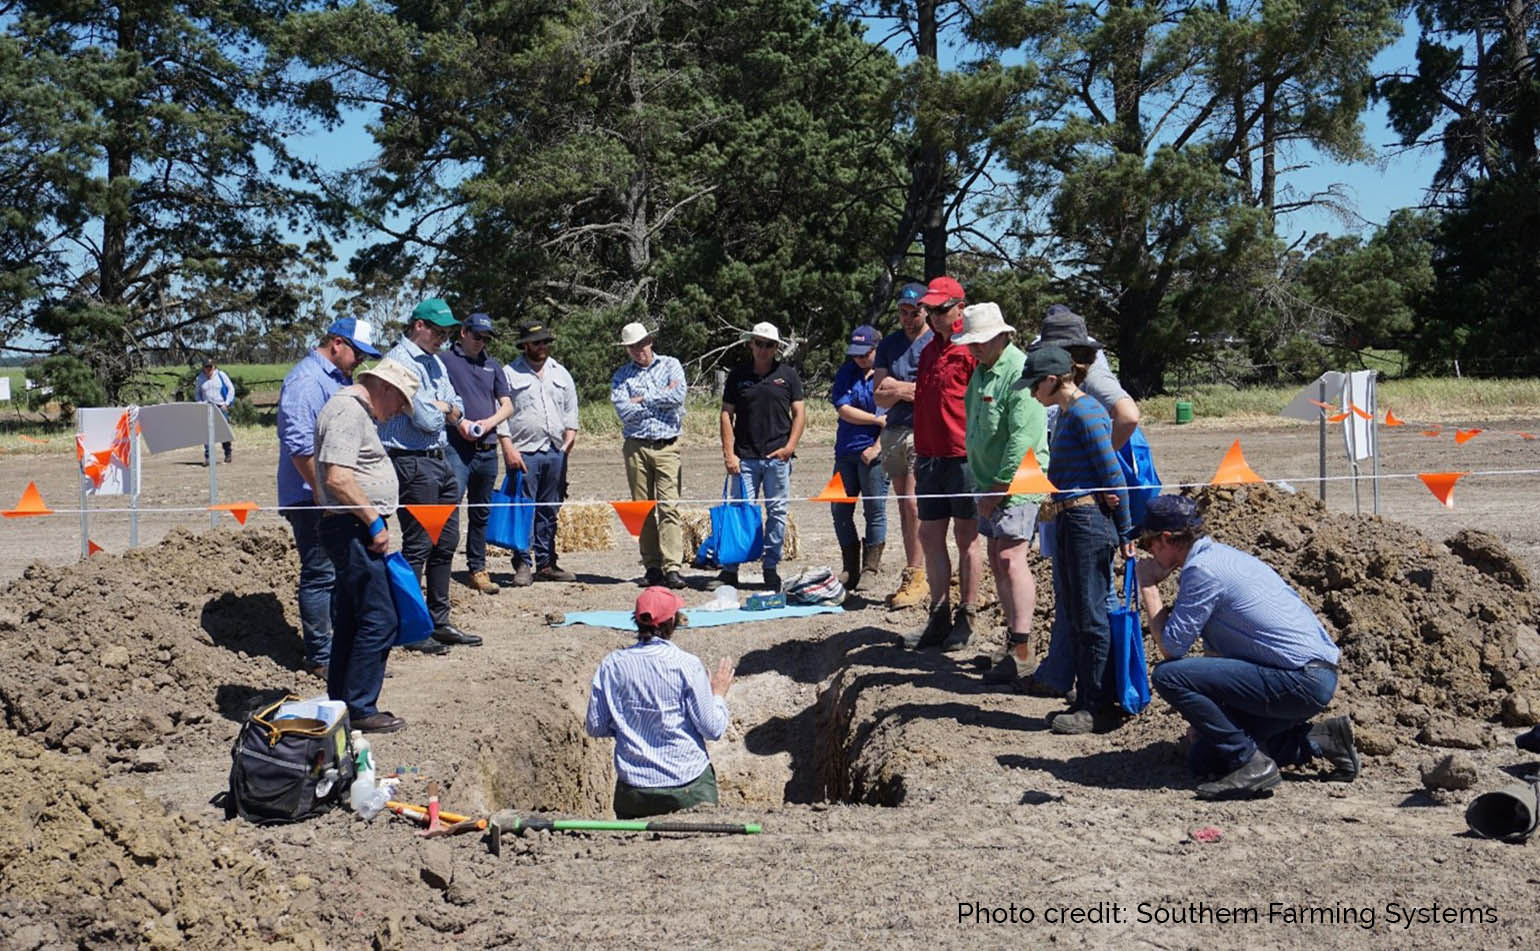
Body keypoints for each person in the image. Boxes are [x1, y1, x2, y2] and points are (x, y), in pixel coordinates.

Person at [1134, 494, 1360, 799]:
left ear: (1166, 539)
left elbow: (1172, 649)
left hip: (1299, 679)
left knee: (1168, 675)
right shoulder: (1221, 556)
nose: (1148, 554)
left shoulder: (1202, 571)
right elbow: (1218, 659)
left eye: (1148, 545)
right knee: (1205, 757)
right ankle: (1324, 739)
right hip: (1312, 677)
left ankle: (1250, 763)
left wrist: (1148, 586)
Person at [1018, 304, 1146, 694]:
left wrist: (1124, 530)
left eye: (1035, 384)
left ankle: (1101, 696)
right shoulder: (1073, 410)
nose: (1032, 393)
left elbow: (1112, 473)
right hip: (1075, 518)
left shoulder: (1088, 411)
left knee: (1094, 610)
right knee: (1079, 605)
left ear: (1056, 376)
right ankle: (1085, 688)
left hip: (1088, 521)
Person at [314, 357, 419, 733]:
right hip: (353, 527)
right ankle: (360, 706)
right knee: (380, 617)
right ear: (385, 388)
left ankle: (344, 702)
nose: (394, 415)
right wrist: (374, 521)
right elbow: (338, 478)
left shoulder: (350, 410)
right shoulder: (348, 412)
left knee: (354, 618)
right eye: (398, 404)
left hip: (349, 526)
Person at [275, 317, 381, 679]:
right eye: (357, 353)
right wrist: (323, 495)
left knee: (339, 572)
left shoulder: (338, 380)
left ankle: (340, 651)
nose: (360, 362)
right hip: (313, 497)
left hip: (333, 494)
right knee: (321, 573)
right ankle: (321, 655)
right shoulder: (307, 381)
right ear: (337, 343)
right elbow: (300, 446)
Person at [379, 297, 483, 653]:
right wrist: (445, 409)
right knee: (419, 544)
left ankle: (439, 621)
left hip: (439, 459)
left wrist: (443, 407)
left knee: (446, 541)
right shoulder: (398, 362)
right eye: (438, 330)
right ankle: (412, 625)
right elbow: (425, 418)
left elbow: (457, 406)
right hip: (411, 462)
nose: (443, 337)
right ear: (419, 326)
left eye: (447, 331)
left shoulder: (436, 362)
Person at [951, 303, 1049, 676]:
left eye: (979, 341)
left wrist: (997, 487)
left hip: (1015, 482)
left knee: (1010, 557)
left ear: (1000, 336)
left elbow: (1022, 440)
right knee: (996, 557)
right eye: (970, 342)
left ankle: (1023, 649)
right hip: (989, 481)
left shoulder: (1019, 372)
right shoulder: (982, 371)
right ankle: (1013, 642)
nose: (972, 348)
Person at [584, 587, 735, 819]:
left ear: (636, 620)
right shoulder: (686, 664)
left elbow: (595, 726)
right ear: (672, 621)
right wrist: (717, 694)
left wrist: (629, 726)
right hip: (687, 786)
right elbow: (712, 729)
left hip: (634, 791)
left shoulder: (611, 665)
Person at [905, 277, 981, 651]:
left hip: (964, 457)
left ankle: (967, 615)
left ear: (959, 308)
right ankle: (939, 614)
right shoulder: (927, 352)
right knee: (931, 536)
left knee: (967, 538)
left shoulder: (972, 351)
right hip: (930, 457)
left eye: (941, 309)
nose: (934, 317)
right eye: (930, 310)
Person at [714, 321, 806, 592]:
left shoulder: (788, 375)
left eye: (768, 345)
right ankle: (731, 568)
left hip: (778, 457)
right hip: (745, 457)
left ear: (776, 348)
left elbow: (800, 414)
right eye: (758, 343)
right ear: (750, 344)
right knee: (741, 510)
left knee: (777, 513)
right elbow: (725, 414)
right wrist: (729, 454)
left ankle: (770, 567)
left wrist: (789, 448)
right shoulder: (737, 375)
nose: (763, 349)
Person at [499, 319, 580, 585]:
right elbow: (500, 413)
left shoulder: (561, 373)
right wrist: (507, 445)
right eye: (537, 342)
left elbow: (571, 412)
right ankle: (523, 563)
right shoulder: (509, 373)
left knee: (550, 509)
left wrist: (569, 440)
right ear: (524, 345)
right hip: (524, 452)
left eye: (545, 341)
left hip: (555, 451)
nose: (542, 346)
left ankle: (546, 563)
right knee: (522, 508)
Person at [440, 312, 515, 595]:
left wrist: (489, 423)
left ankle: (477, 568)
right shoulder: (445, 361)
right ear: (463, 332)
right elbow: (438, 398)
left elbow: (507, 405)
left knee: (481, 512)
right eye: (476, 336)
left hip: (487, 448)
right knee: (449, 508)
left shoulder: (493, 365)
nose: (480, 342)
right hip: (456, 448)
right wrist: (459, 423)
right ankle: (441, 566)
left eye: (485, 338)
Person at [610, 321, 688, 589]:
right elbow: (623, 410)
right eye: (632, 346)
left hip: (667, 445)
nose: (638, 350)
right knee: (641, 509)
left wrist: (641, 399)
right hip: (636, 446)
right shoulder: (622, 374)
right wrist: (658, 398)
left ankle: (673, 567)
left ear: (650, 341)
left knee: (670, 507)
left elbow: (677, 396)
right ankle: (652, 566)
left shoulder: (671, 364)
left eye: (641, 344)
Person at [873, 282, 932, 607]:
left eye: (914, 312)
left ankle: (919, 572)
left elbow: (931, 391)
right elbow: (878, 394)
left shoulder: (933, 342)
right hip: (893, 429)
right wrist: (905, 390)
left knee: (913, 501)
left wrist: (900, 387)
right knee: (902, 505)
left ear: (925, 311)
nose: (908, 318)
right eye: (903, 312)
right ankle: (914, 570)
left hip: (922, 430)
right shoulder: (890, 344)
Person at [829, 325, 889, 591]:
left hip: (874, 454)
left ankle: (870, 568)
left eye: (865, 354)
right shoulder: (846, 373)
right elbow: (844, 409)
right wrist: (876, 420)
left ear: (878, 348)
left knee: (874, 510)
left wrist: (876, 446)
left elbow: (892, 419)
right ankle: (849, 567)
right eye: (856, 354)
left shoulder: (887, 376)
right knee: (839, 509)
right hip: (845, 452)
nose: (860, 359)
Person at [196, 358, 235, 464]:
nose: (208, 369)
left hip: (220, 406)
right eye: (206, 367)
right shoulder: (200, 378)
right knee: (206, 433)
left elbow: (231, 388)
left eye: (210, 366)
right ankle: (208, 457)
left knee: (223, 432)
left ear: (214, 366)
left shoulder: (221, 375)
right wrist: (199, 403)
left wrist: (226, 403)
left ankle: (228, 453)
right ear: (203, 368)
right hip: (206, 406)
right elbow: (197, 393)